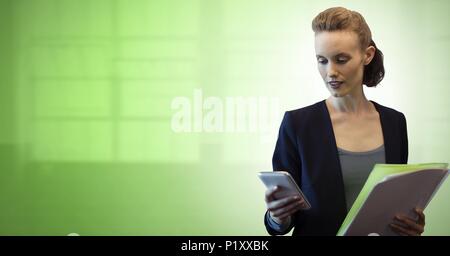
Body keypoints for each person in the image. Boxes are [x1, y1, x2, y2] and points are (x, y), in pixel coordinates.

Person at [263, 7, 425, 236]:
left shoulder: (395, 123)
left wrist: (409, 225)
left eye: (341, 60)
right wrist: (277, 216)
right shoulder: (297, 125)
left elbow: (395, 204)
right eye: (322, 60)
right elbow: (281, 222)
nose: (331, 72)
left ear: (367, 55)